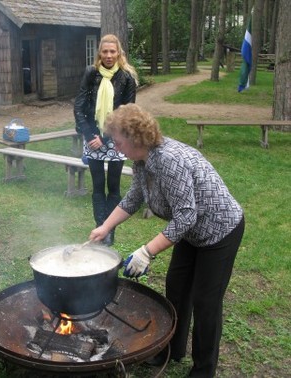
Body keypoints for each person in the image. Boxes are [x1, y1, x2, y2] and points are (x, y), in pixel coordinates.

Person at [90, 104, 245, 378]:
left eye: (118, 140)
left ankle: (203, 369)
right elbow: (134, 198)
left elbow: (186, 216)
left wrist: (146, 252)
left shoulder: (169, 159)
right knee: (177, 288)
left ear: (135, 137)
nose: (115, 146)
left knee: (206, 301)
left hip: (220, 230)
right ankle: (172, 349)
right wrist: (105, 227)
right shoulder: (140, 161)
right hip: (191, 231)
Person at [73, 34, 138, 246]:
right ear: (99, 53)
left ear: (119, 53)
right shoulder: (91, 74)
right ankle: (100, 226)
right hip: (92, 138)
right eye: (105, 51)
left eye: (113, 51)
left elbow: (126, 113)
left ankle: (110, 230)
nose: (109, 55)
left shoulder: (126, 78)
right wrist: (91, 136)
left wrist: (104, 137)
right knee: (98, 186)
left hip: (116, 139)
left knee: (114, 187)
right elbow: (79, 107)